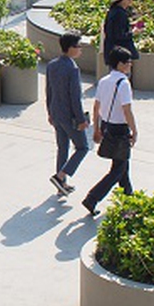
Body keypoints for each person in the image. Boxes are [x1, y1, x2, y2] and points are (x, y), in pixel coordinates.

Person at [81, 47, 137, 217]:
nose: (130, 65)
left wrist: (97, 128)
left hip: (107, 126)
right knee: (118, 170)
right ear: (120, 64)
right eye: (128, 62)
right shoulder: (124, 83)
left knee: (122, 166)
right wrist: (134, 130)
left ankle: (129, 202)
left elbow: (96, 106)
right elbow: (127, 110)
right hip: (120, 129)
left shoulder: (104, 80)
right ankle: (92, 198)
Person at [44, 33, 89, 196]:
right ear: (70, 48)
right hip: (69, 116)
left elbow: (49, 91)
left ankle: (61, 185)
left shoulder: (52, 65)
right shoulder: (73, 68)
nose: (80, 50)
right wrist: (81, 120)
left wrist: (49, 111)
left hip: (56, 113)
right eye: (78, 46)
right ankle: (61, 176)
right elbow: (74, 97)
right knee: (83, 147)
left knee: (62, 147)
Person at [101, 0, 140, 64]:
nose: (131, 0)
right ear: (122, 0)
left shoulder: (113, 11)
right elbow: (120, 35)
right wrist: (133, 32)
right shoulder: (120, 14)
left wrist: (130, 26)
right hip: (121, 57)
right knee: (122, 75)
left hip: (113, 54)